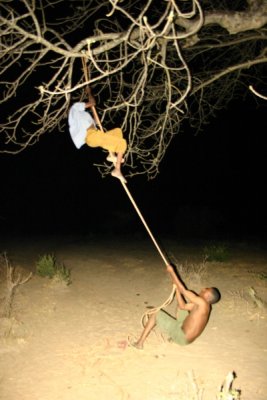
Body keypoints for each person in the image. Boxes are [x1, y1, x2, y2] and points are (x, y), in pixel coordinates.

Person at [131, 263, 221, 349]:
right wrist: (176, 288)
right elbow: (183, 306)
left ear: (208, 296)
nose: (203, 289)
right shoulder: (204, 306)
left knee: (155, 313)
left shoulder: (202, 302)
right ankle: (174, 338)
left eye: (206, 289)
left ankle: (139, 343)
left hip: (181, 336)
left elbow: (184, 290)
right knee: (180, 308)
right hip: (187, 339)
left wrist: (172, 271)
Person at [68, 94, 127, 183]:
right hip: (91, 136)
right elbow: (92, 103)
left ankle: (111, 156)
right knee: (122, 143)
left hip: (95, 134)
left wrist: (95, 120)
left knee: (117, 131)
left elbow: (96, 121)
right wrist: (89, 92)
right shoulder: (74, 108)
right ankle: (117, 170)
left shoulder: (83, 116)